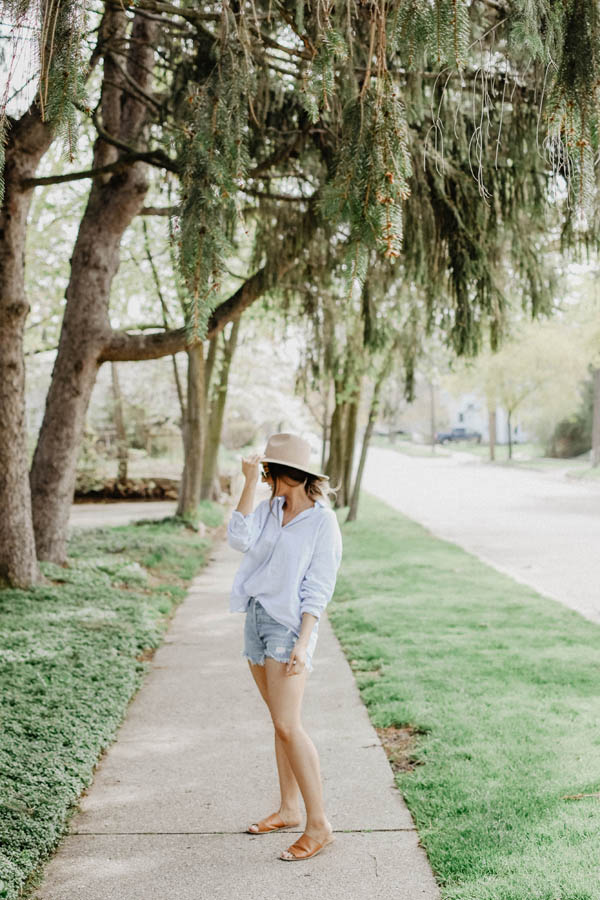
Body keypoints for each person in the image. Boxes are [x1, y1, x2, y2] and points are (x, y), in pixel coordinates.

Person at [227, 432, 343, 861]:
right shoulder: (268, 509)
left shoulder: (321, 521)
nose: (262, 476)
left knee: (289, 726)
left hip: (288, 627)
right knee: (280, 722)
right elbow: (237, 539)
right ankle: (289, 809)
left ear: (281, 473)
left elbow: (320, 585)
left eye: (265, 471)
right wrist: (246, 484)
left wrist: (304, 640)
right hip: (256, 620)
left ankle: (319, 825)